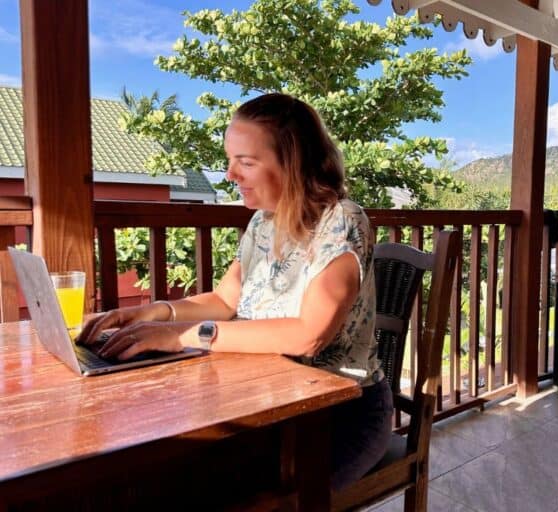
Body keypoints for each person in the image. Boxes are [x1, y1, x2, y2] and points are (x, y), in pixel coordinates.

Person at [78, 93, 393, 490]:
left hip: (339, 414)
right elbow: (226, 301)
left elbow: (309, 335)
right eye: (231, 160)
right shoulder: (265, 223)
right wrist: (151, 313)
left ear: (292, 163)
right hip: (272, 400)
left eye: (245, 162)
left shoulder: (342, 221)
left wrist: (184, 337)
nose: (230, 174)